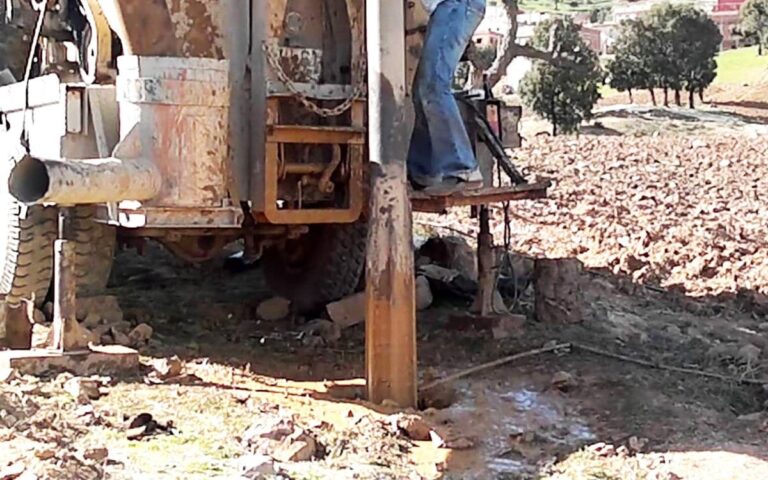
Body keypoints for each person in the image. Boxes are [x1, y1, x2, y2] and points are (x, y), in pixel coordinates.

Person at [408, 0, 486, 196]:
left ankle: (462, 168)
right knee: (421, 91)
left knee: (433, 85)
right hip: (452, 8)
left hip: (455, 6)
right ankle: (423, 172)